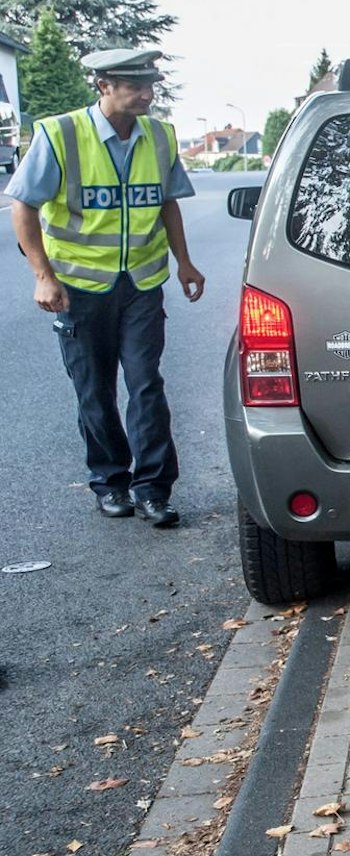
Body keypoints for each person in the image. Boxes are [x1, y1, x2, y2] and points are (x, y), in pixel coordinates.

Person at [10, 48, 203, 527]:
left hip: (141, 282)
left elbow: (167, 204)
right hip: (78, 287)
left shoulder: (159, 137)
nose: (146, 94)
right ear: (103, 86)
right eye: (134, 86)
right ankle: (111, 481)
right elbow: (23, 205)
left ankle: (154, 489)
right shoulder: (61, 134)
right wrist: (42, 275)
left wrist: (185, 262)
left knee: (146, 385)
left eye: (150, 85)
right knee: (94, 390)